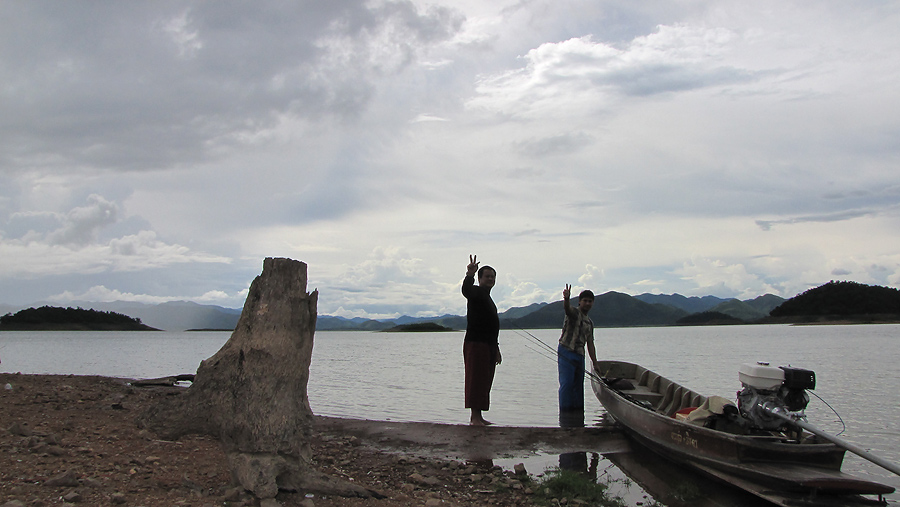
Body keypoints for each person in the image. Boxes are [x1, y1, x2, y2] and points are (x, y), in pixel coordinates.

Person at [461, 254, 501, 426]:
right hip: (475, 343)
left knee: (485, 379)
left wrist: (496, 348)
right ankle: (474, 418)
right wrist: (469, 274)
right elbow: (466, 290)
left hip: (488, 345)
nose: (490, 279)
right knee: (476, 378)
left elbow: (492, 327)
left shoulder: (488, 297)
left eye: (493, 277)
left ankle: (479, 417)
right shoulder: (476, 292)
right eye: (487, 276)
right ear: (480, 278)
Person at [558, 284, 599, 413]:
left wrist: (595, 362)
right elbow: (567, 309)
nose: (587, 303)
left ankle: (578, 414)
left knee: (578, 386)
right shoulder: (574, 312)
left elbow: (590, 344)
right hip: (566, 351)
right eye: (585, 301)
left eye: (590, 301)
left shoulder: (590, 323)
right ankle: (565, 413)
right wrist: (566, 299)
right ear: (579, 302)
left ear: (592, 303)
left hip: (580, 355)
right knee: (567, 384)